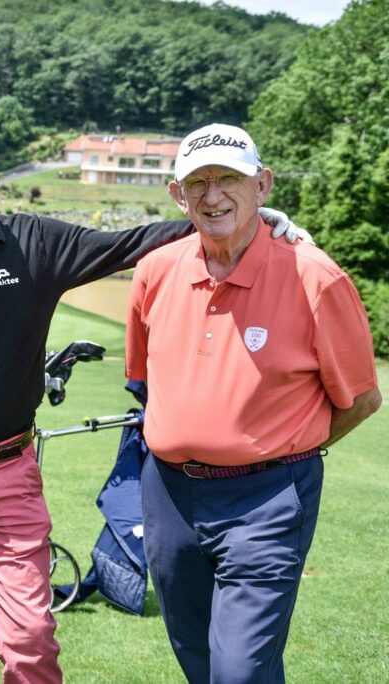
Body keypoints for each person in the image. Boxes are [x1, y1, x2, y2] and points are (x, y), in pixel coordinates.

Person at [0, 113, 304, 684]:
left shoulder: (34, 243)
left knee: (29, 639)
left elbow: (129, 245)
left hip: (8, 471)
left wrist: (246, 220)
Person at [125, 123, 381, 683]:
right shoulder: (154, 271)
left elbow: (362, 399)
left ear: (262, 185)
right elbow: (146, 381)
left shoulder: (316, 278)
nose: (213, 195)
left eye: (229, 179)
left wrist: (280, 445)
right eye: (198, 182)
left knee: (239, 671)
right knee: (199, 657)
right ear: (178, 195)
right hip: (169, 496)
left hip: (266, 498)